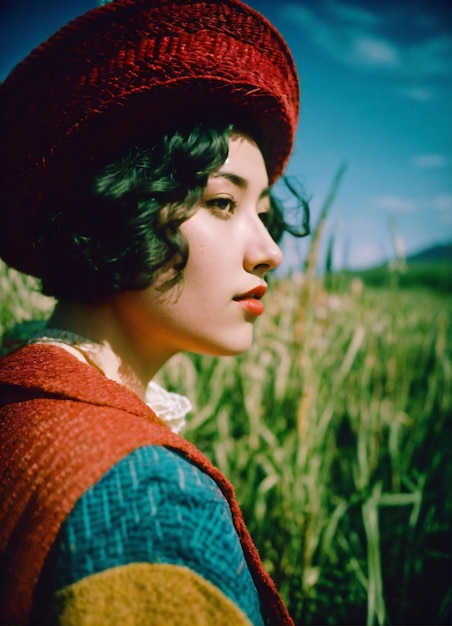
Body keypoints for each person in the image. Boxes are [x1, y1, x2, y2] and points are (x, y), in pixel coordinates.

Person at [0, 1, 309, 624]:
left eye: (265, 215)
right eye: (223, 203)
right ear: (119, 205)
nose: (271, 252)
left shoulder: (21, 403)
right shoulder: (149, 498)